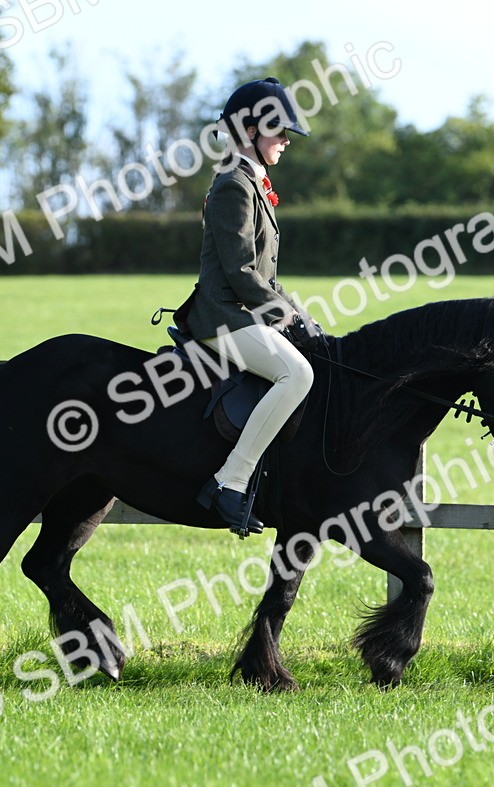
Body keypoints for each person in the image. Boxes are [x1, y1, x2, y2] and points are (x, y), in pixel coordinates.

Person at [186, 77, 315, 533]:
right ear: (248, 133)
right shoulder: (233, 187)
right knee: (297, 373)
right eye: (278, 131)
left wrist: (303, 314)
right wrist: (288, 316)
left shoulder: (253, 183)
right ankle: (230, 481)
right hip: (221, 317)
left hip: (240, 312)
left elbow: (267, 278)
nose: (285, 141)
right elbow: (242, 273)